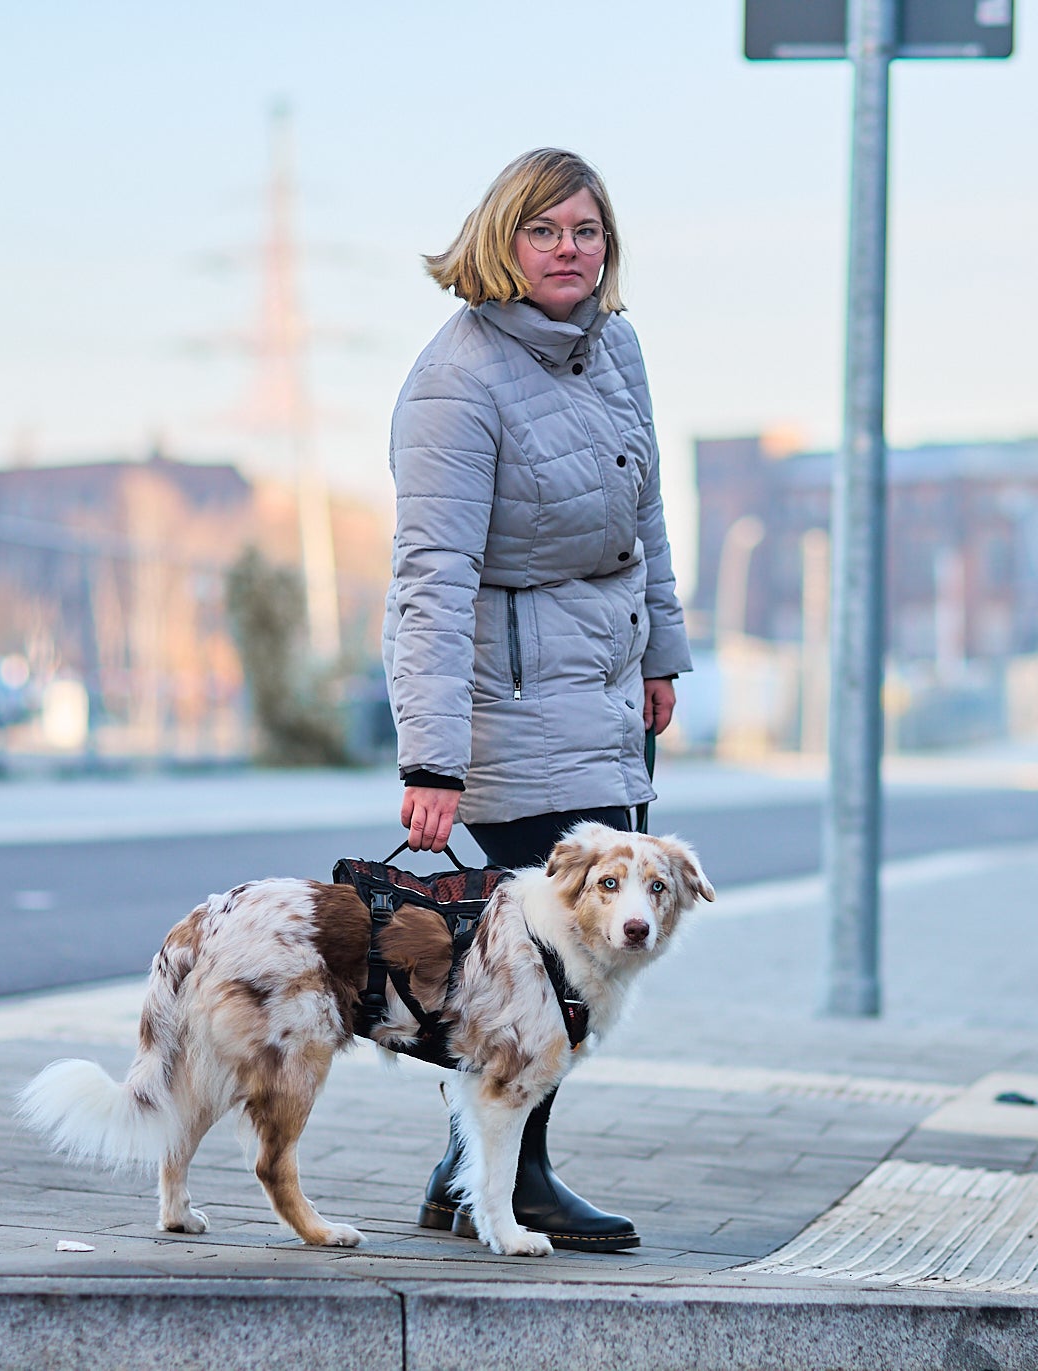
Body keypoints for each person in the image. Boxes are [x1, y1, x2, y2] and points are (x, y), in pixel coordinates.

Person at [383, 148, 689, 1252]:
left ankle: (466, 1183)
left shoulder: (616, 348)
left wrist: (663, 651)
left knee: (593, 951)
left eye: (587, 232)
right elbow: (429, 575)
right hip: (506, 702)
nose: (569, 252)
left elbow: (643, 516)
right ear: (499, 241)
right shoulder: (455, 378)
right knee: (527, 969)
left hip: (604, 695)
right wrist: (432, 756)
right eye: (545, 231)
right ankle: (514, 1187)